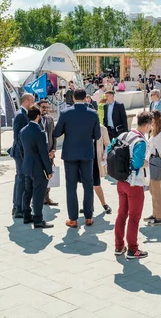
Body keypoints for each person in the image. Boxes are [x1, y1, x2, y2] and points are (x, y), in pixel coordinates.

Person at [53, 88, 101, 228]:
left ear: (73, 98)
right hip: (87, 153)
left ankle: (73, 219)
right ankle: (88, 217)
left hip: (70, 154)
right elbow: (97, 135)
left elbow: (56, 133)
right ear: (86, 98)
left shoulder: (65, 113)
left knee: (71, 186)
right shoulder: (93, 114)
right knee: (88, 185)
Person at [110, 111, 153, 259]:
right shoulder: (140, 141)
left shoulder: (123, 135)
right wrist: (144, 163)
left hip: (120, 181)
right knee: (134, 217)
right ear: (147, 125)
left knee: (121, 215)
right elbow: (137, 163)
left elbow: (110, 149)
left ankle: (118, 246)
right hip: (134, 183)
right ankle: (133, 249)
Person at [19, 105, 54, 229]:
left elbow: (21, 149)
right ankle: (38, 219)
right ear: (38, 116)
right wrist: (49, 170)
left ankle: (26, 215)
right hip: (38, 167)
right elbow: (43, 153)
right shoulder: (39, 132)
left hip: (27, 165)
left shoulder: (23, 130)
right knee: (38, 193)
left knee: (27, 191)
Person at [10, 93, 35, 218]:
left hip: (23, 153)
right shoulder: (21, 115)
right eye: (33, 101)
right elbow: (17, 136)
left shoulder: (24, 114)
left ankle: (18, 206)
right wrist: (24, 153)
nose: (34, 104)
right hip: (20, 154)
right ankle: (17, 207)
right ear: (26, 102)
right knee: (21, 179)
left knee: (22, 179)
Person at [144, 110, 161, 226]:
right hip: (152, 162)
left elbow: (157, 150)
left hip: (156, 162)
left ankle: (160, 216)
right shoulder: (154, 132)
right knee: (153, 189)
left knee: (157, 190)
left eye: (151, 119)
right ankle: (155, 213)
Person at [38, 100, 58, 206]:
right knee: (39, 176)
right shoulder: (35, 119)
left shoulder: (50, 119)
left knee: (49, 176)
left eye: (47, 107)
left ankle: (47, 198)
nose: (45, 109)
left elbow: (54, 136)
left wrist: (53, 149)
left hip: (49, 153)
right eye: (43, 107)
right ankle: (37, 198)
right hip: (39, 154)